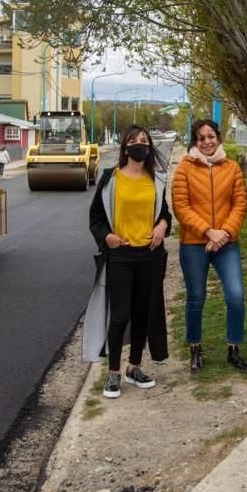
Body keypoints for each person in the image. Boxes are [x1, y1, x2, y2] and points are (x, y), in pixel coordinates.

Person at [86, 125, 171, 399]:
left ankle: (134, 367)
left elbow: (164, 214)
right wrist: (107, 237)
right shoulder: (111, 179)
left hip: (149, 255)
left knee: (142, 312)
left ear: (150, 147)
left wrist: (162, 227)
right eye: (133, 141)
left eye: (144, 141)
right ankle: (112, 373)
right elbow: (96, 218)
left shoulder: (156, 179)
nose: (139, 145)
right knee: (120, 315)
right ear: (124, 147)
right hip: (120, 255)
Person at [171, 119, 247, 374]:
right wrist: (208, 231)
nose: (207, 142)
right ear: (195, 141)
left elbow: (240, 204)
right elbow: (181, 207)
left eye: (210, 136)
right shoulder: (184, 168)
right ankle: (195, 349)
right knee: (196, 297)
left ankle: (234, 349)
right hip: (194, 243)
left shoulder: (232, 167)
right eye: (201, 138)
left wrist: (224, 233)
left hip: (227, 243)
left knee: (236, 295)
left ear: (218, 138)